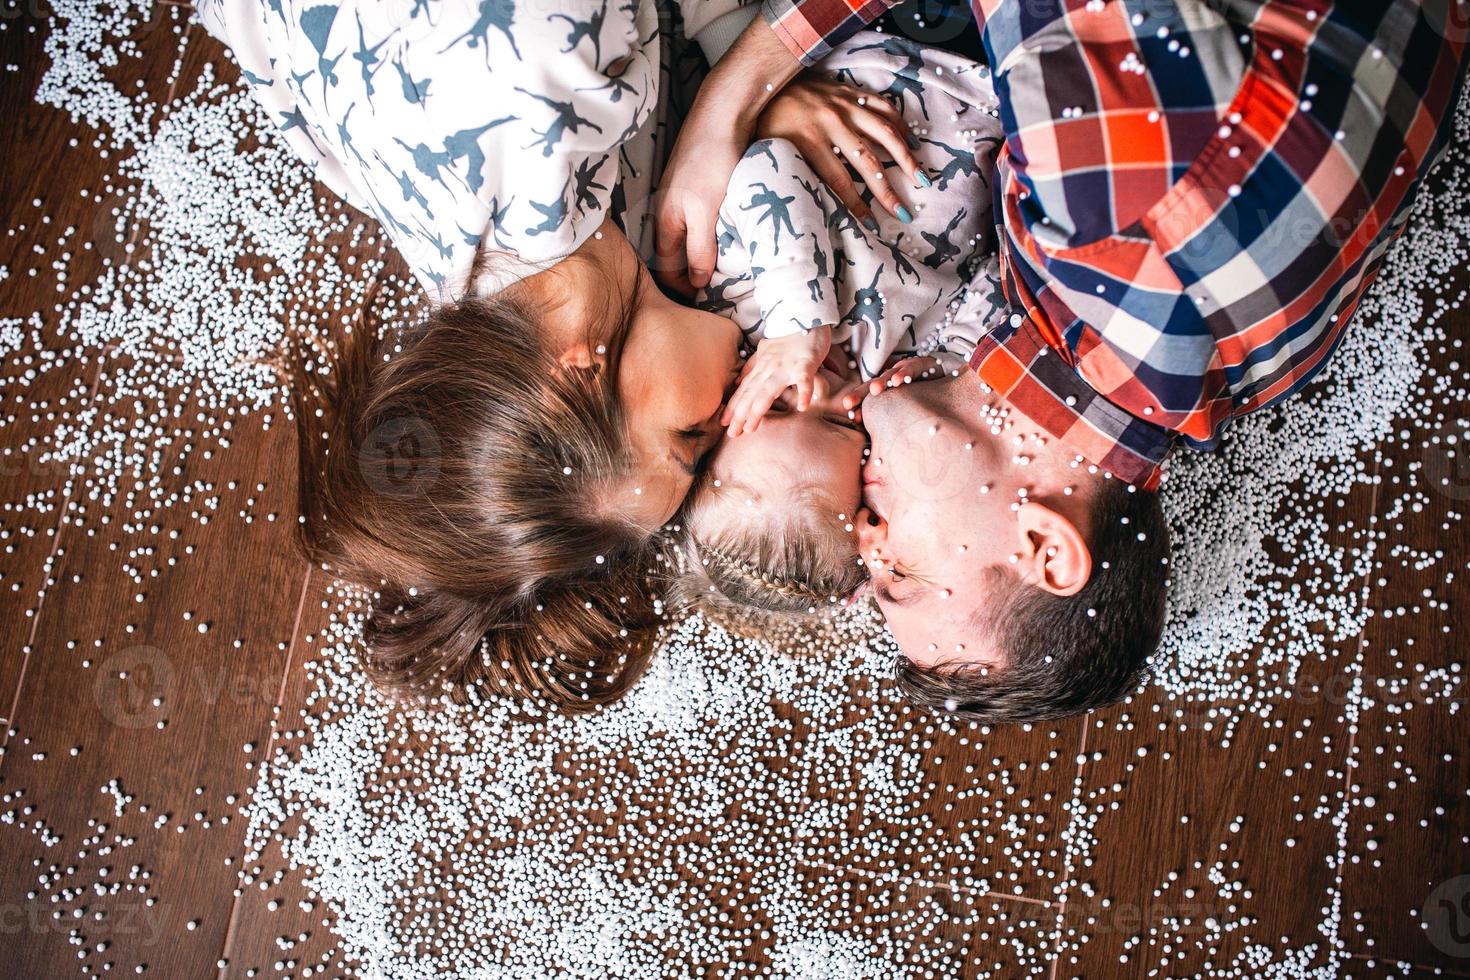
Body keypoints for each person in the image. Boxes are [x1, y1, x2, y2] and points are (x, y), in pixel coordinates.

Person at [655, 0, 1469, 722]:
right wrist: (733, 94)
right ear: (1047, 546)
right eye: (902, 574)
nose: (865, 544)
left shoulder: (1216, 374)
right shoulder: (1113, 231)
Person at [199, 0, 926, 709]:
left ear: (572, 369)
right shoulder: (546, 283)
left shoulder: (533, 70)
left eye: (687, 442)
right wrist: (738, 103)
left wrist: (743, 85)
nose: (731, 419)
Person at [671, 31, 1009, 633]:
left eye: (776, 407)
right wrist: (955, 363)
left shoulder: (739, 309)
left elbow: (767, 164)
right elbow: (995, 278)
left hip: (893, 53)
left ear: (719, 416)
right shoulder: (896, 382)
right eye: (840, 425)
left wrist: (797, 320)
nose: (821, 390)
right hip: (997, 97)